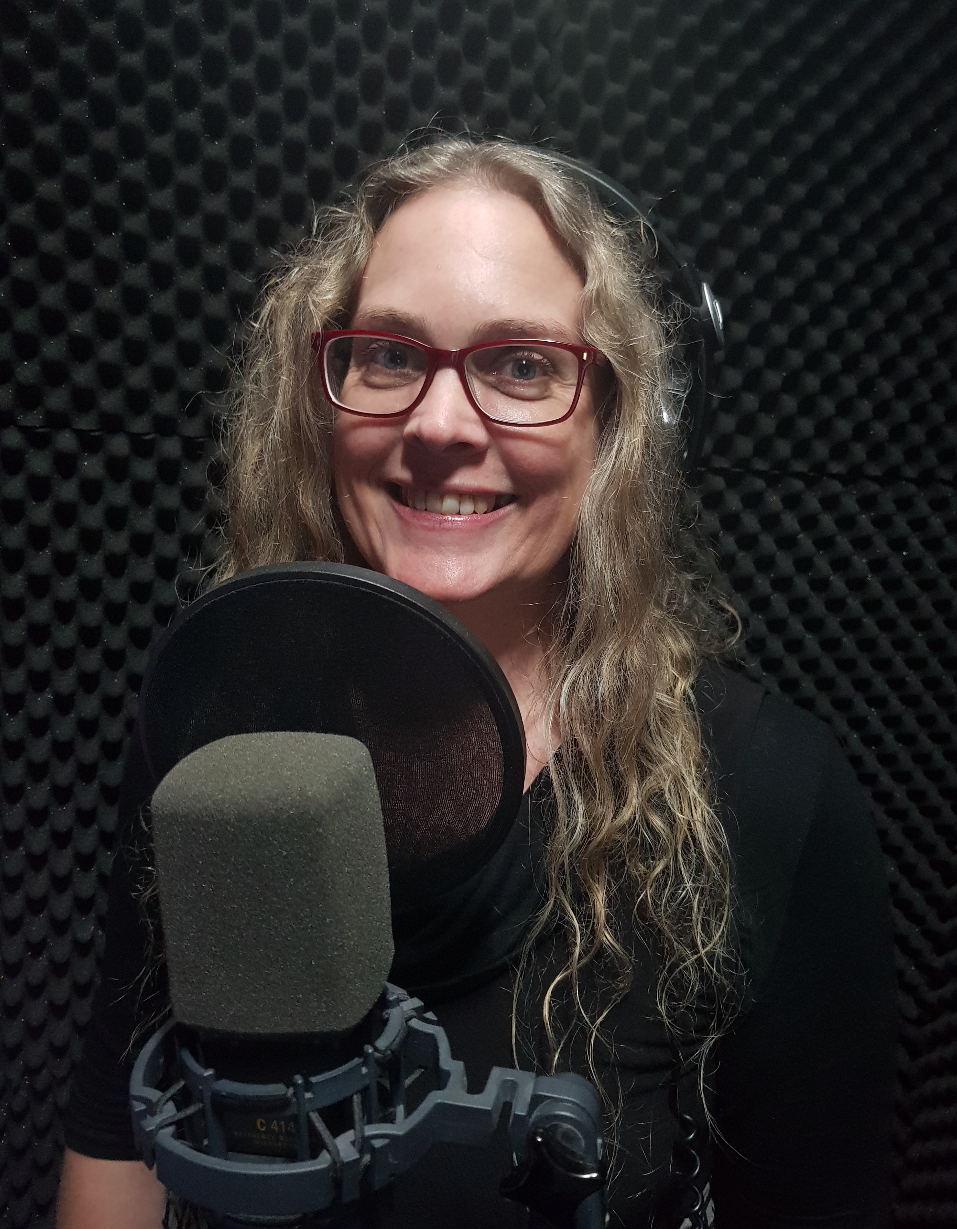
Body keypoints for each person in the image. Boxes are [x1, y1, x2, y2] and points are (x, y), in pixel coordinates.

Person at [57, 138, 896, 1229]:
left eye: (523, 365)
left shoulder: (775, 793)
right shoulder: (226, 736)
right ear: (323, 393)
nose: (442, 425)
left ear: (616, 427)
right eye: (390, 355)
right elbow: (118, 1140)